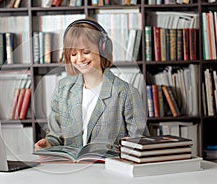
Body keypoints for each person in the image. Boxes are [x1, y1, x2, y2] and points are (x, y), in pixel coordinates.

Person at [34, 18, 147, 151]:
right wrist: (48, 144)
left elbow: (140, 143)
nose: (80, 59)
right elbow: (56, 137)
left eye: (86, 52)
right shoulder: (62, 89)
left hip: (110, 169)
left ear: (103, 49)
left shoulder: (126, 93)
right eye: (74, 54)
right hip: (71, 168)